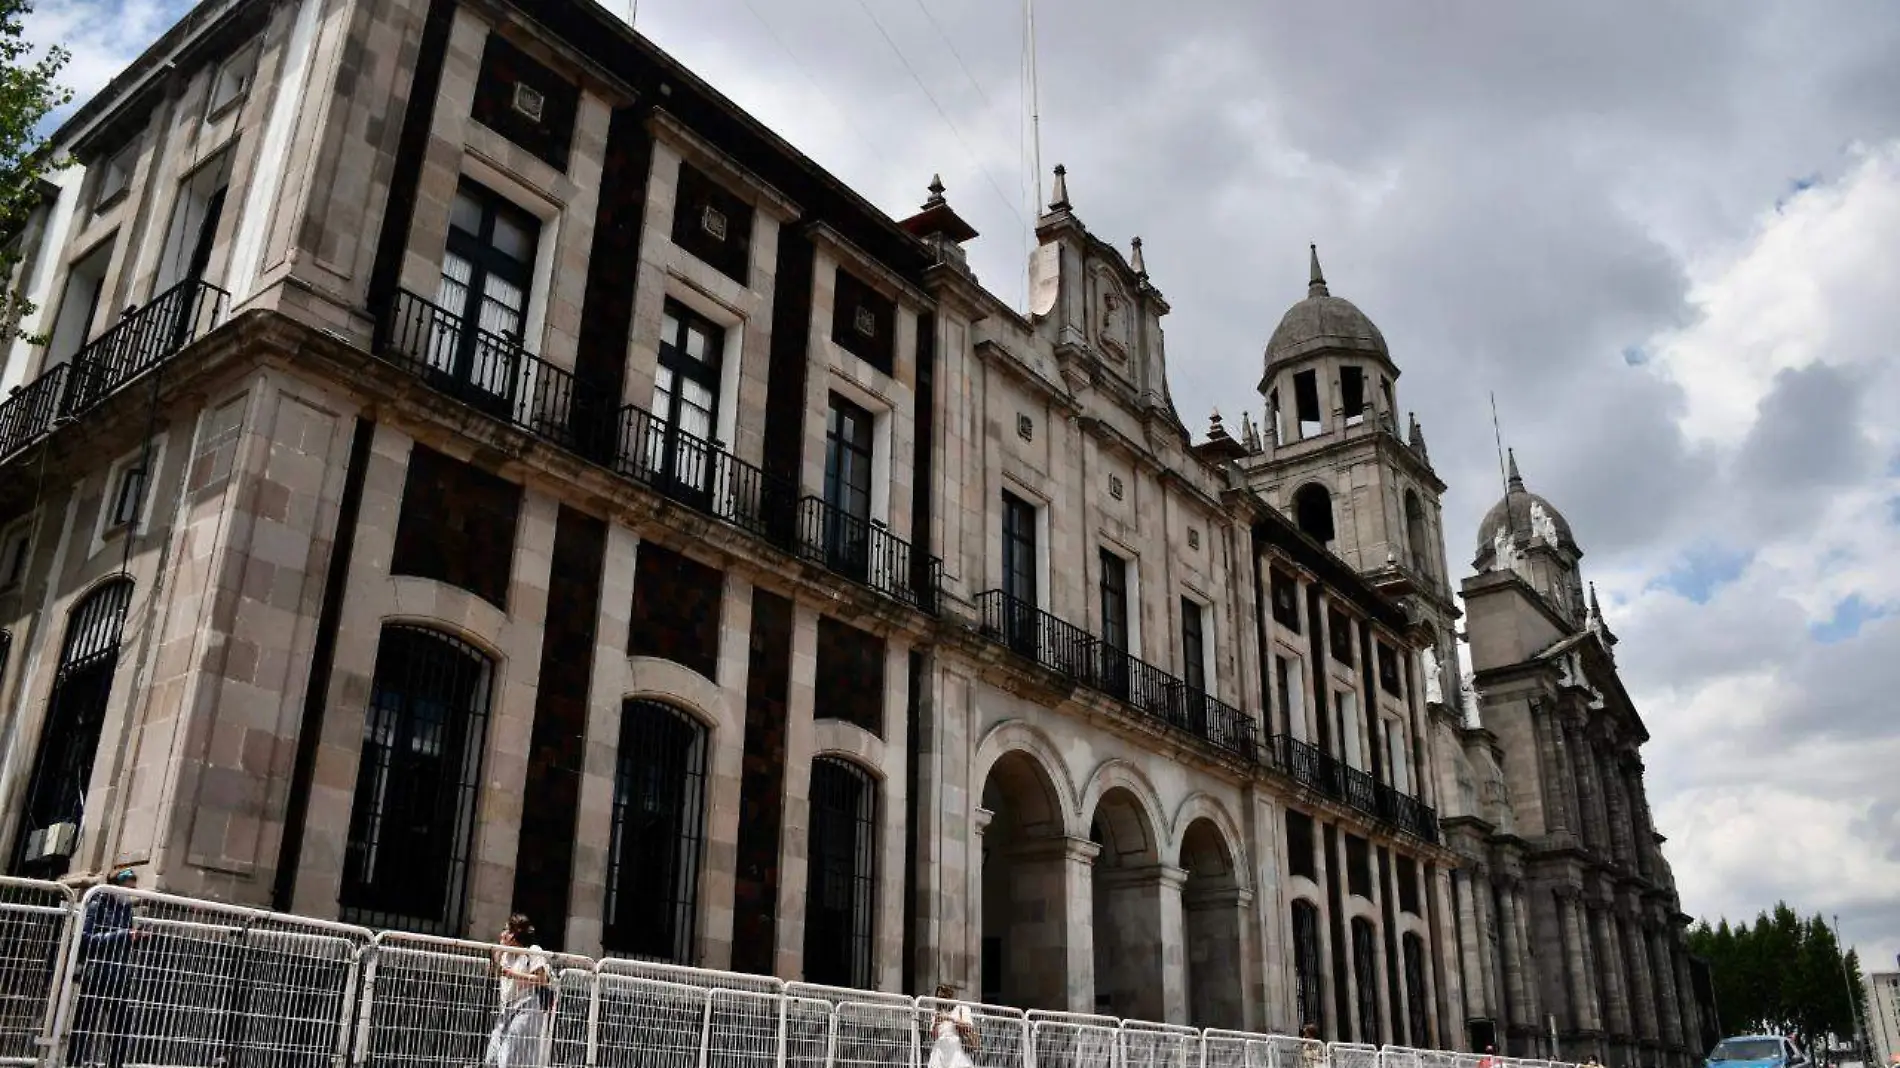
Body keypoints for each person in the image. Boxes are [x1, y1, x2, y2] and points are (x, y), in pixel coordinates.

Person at [69, 868, 145, 1068]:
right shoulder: (96, 905)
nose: (130, 894)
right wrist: (122, 935)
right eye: (127, 889)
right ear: (114, 887)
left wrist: (136, 939)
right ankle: (74, 1062)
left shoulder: (126, 909)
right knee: (85, 1025)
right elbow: (84, 941)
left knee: (121, 1027)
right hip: (96, 974)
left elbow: (125, 939)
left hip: (120, 976)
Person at [485, 915, 553, 1068]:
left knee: (509, 1054)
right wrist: (499, 951)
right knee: (492, 1055)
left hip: (527, 1006)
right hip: (507, 1007)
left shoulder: (533, 951)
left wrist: (511, 974)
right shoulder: (505, 953)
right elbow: (494, 972)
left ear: (517, 933)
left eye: (507, 930)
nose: (503, 934)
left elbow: (542, 979)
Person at [926, 985, 977, 1068]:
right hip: (940, 1049)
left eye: (943, 997)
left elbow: (969, 1026)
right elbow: (934, 1037)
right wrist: (936, 1024)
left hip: (956, 1047)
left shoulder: (962, 1008)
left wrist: (950, 1019)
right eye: (938, 997)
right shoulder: (937, 1012)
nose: (941, 1001)